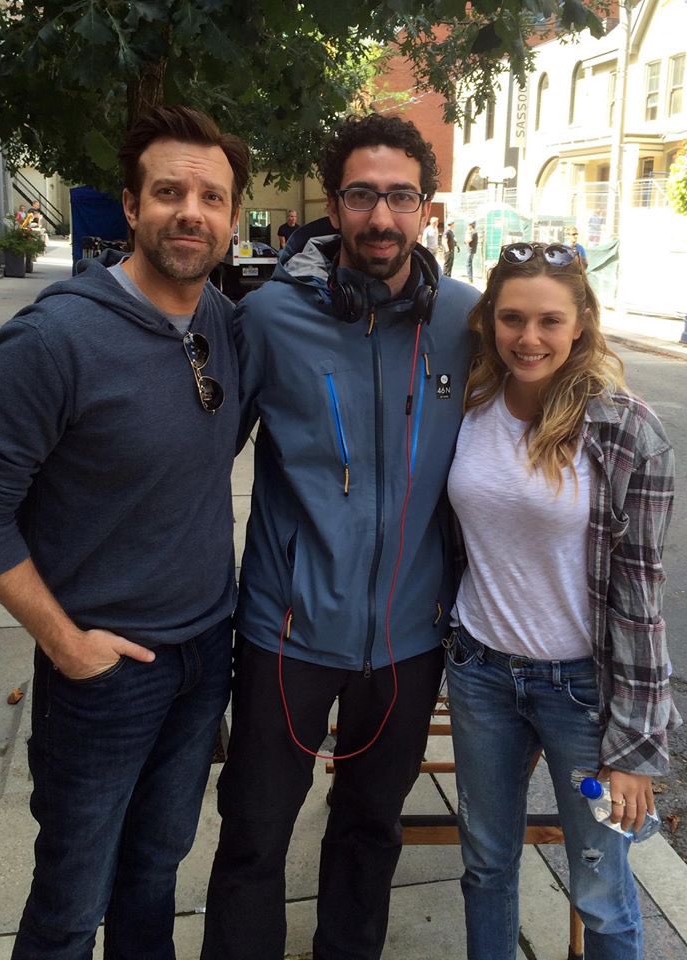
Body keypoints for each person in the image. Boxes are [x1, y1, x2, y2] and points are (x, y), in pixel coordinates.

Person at [0, 105, 250, 960]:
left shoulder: (224, 327)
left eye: (211, 196)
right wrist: (63, 643)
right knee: (70, 900)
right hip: (104, 673)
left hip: (204, 653)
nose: (190, 212)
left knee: (155, 873)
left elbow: (204, 455)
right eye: (168, 191)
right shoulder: (55, 340)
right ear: (130, 207)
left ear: (233, 218)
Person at [201, 113, 478, 960]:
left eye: (401, 197)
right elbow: (196, 455)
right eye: (362, 196)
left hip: (407, 638)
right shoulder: (270, 319)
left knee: (370, 833)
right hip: (287, 632)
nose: (381, 218)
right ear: (334, 203)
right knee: (253, 834)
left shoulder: (469, 321)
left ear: (426, 210)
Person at [444, 240, 682, 960]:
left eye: (549, 320)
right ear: (488, 321)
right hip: (480, 673)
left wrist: (635, 747)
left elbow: (641, 596)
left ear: (581, 323)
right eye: (512, 318)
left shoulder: (627, 430)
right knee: (486, 865)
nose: (529, 337)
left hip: (581, 693)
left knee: (600, 887)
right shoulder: (465, 405)